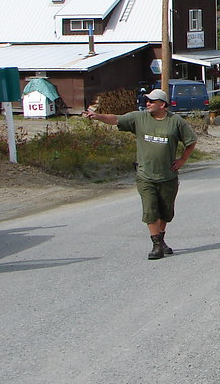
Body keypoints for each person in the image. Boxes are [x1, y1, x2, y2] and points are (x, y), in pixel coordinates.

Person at [83, 88, 196, 260]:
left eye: (151, 101)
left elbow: (191, 141)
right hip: (145, 175)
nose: (148, 103)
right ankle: (156, 244)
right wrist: (98, 116)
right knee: (150, 209)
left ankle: (161, 239)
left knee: (166, 212)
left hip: (168, 176)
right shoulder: (138, 118)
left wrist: (182, 160)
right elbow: (116, 119)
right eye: (147, 101)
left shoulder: (176, 122)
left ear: (162, 104)